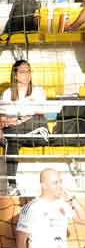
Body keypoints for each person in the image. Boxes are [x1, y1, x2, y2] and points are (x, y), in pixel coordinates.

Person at [1, 60, 48, 195]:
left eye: (28, 71)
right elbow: (2, 118)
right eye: (22, 72)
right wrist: (6, 121)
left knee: (14, 132)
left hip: (37, 132)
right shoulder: (8, 93)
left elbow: (39, 113)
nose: (26, 75)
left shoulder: (38, 91)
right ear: (15, 75)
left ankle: (10, 134)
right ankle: (12, 186)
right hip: (16, 135)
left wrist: (17, 121)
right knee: (13, 140)